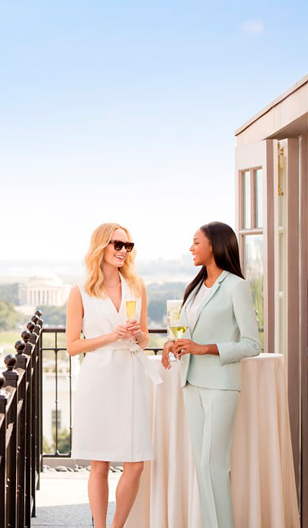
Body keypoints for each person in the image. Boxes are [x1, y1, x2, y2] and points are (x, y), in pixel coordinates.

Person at [161, 221, 261, 527]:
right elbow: (188, 330)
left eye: (196, 242)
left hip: (220, 385)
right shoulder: (195, 288)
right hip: (191, 383)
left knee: (213, 464)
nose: (191, 248)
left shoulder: (236, 286)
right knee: (202, 468)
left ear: (214, 246)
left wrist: (205, 349)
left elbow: (252, 344)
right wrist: (172, 342)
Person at [66, 223, 153, 528]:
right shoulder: (80, 292)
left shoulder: (137, 286)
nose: (122, 251)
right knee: (99, 463)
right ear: (101, 246)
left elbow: (145, 340)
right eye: (117, 244)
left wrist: (137, 334)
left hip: (130, 375)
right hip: (98, 378)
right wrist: (110, 335)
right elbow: (73, 346)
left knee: (136, 463)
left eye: (127, 246)